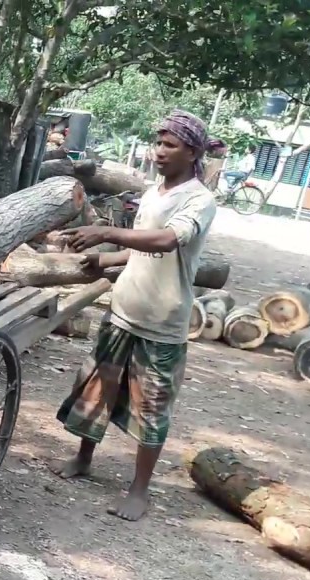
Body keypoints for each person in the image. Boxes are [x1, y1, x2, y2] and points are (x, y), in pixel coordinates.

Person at [54, 110, 219, 521]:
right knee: (99, 388)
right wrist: (106, 260)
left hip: (162, 322)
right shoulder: (153, 192)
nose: (159, 152)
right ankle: (83, 458)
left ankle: (139, 490)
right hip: (124, 308)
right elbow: (142, 250)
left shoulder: (199, 200)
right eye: (158, 143)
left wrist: (107, 233)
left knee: (152, 405)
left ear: (192, 151)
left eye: (170, 145)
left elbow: (165, 241)